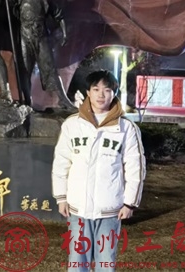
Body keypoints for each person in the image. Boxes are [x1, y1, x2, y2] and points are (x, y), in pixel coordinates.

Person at [52, 70, 146, 272]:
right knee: (77, 263)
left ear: (114, 93)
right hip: (78, 208)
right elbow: (61, 163)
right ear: (88, 92)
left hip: (110, 210)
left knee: (105, 263)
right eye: (96, 89)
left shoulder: (126, 128)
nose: (101, 95)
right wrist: (61, 197)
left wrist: (129, 202)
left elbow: (135, 168)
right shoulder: (72, 124)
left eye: (107, 90)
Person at [14, 0, 67, 107]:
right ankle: (27, 100)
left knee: (49, 67)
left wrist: (64, 33)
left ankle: (62, 99)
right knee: (25, 70)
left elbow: (59, 15)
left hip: (41, 36)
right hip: (24, 36)